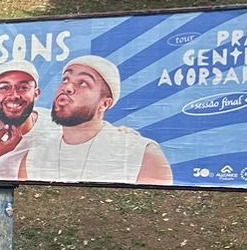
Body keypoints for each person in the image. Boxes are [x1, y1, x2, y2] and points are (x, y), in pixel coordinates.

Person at [19, 56, 173, 185]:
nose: (67, 88)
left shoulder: (142, 154)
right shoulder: (35, 156)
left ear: (104, 103)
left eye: (83, 83)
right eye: (65, 79)